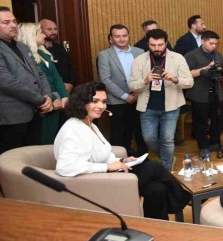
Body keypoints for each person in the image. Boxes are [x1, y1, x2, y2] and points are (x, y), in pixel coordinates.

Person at [54, 82, 190, 220]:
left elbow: (101, 155)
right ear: (81, 102)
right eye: (95, 101)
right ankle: (185, 198)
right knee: (153, 167)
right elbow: (65, 167)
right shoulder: (73, 129)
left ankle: (156, 226)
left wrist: (122, 160)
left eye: (104, 102)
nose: (101, 106)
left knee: (156, 189)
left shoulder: (89, 124)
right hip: (94, 185)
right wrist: (107, 167)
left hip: (104, 176)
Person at [128, 28, 193, 171]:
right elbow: (132, 85)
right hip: (147, 107)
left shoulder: (178, 58)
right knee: (148, 139)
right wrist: (145, 80)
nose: (157, 48)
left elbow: (190, 82)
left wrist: (175, 79)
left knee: (167, 140)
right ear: (147, 44)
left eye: (160, 45)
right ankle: (167, 158)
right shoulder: (139, 60)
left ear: (166, 43)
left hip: (171, 106)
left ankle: (166, 169)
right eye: (153, 45)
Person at [0, 7, 53, 153]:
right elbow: (7, 82)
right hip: (11, 117)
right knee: (11, 159)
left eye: (14, 21)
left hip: (34, 113)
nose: (13, 25)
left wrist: (47, 95)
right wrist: (40, 99)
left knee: (31, 155)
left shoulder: (22, 47)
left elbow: (39, 73)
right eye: (6, 22)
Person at [97, 24, 146, 155]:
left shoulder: (140, 52)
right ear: (111, 39)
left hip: (139, 97)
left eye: (124, 36)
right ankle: (120, 157)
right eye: (117, 36)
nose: (122, 39)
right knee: (118, 132)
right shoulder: (104, 55)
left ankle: (140, 156)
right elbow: (106, 80)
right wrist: (125, 96)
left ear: (128, 36)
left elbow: (145, 74)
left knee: (139, 130)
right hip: (117, 100)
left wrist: (138, 92)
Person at [16, 23, 68, 144]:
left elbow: (56, 77)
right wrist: (53, 98)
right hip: (45, 102)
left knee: (55, 139)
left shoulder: (43, 53)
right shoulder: (26, 57)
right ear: (30, 36)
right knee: (44, 140)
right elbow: (33, 83)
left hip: (57, 102)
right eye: (40, 33)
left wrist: (64, 96)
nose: (44, 35)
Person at [185, 30, 223, 157]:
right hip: (199, 94)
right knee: (201, 122)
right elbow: (187, 74)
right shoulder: (191, 55)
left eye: (216, 44)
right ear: (203, 41)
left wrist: (222, 70)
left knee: (219, 119)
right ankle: (203, 147)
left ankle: (215, 142)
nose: (214, 46)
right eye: (211, 43)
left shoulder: (217, 55)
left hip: (216, 93)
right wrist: (207, 68)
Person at [39, 18, 75, 93]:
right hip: (51, 91)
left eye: (55, 29)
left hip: (67, 89)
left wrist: (71, 84)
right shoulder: (38, 51)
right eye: (49, 29)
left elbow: (70, 68)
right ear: (40, 31)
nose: (53, 32)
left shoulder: (60, 48)